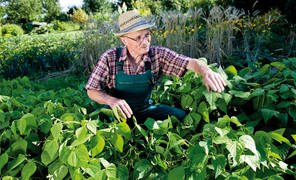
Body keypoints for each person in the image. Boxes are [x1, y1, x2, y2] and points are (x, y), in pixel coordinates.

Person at [86, 9, 226, 122]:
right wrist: (111, 100)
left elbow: (190, 62)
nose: (145, 41)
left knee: (181, 116)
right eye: (138, 38)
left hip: (145, 110)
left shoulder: (157, 55)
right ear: (124, 40)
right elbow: (91, 90)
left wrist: (205, 71)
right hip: (115, 113)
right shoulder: (110, 57)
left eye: (147, 35)